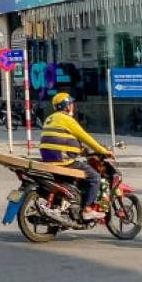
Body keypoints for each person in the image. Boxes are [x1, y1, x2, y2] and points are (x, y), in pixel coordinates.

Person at [39, 92, 113, 220]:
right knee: (94, 177)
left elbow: (63, 138)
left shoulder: (50, 118)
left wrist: (80, 150)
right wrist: (102, 150)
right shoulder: (67, 119)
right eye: (71, 104)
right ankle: (87, 209)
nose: (72, 106)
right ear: (67, 106)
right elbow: (84, 137)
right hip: (62, 160)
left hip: (49, 158)